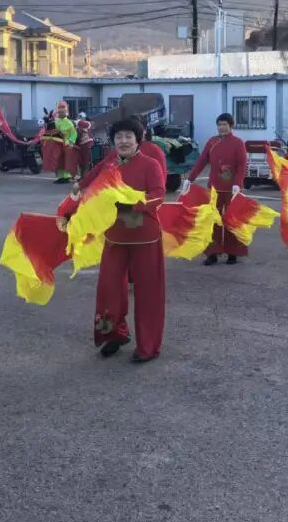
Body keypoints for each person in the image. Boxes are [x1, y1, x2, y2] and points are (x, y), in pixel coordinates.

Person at [71, 117, 166, 363]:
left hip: (145, 237)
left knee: (148, 292)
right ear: (113, 141)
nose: (123, 141)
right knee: (109, 289)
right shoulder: (111, 163)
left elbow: (159, 194)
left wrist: (134, 204)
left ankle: (148, 345)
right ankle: (114, 334)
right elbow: (93, 175)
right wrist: (78, 187)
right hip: (115, 236)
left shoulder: (151, 164)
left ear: (138, 140)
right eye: (119, 137)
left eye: (128, 137)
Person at [184, 113, 249, 265]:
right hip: (214, 189)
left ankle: (233, 253)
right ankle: (212, 253)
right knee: (212, 221)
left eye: (225, 124)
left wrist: (237, 183)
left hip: (233, 190)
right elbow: (201, 162)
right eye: (219, 124)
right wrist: (189, 179)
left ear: (231, 126)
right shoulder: (212, 142)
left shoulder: (238, 143)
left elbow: (242, 165)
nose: (222, 127)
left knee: (232, 220)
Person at [53, 102, 78, 183]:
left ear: (65, 113)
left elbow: (74, 134)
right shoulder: (57, 121)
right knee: (59, 160)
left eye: (62, 112)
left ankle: (66, 177)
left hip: (66, 144)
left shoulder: (69, 123)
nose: (60, 114)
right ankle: (60, 177)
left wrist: (71, 143)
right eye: (59, 112)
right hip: (58, 143)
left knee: (66, 161)